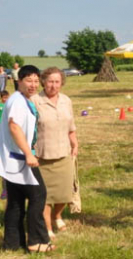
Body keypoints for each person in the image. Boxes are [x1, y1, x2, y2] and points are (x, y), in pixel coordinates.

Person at [0, 65, 54, 253]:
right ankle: (37, 241)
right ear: (19, 81)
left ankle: (12, 243)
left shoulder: (21, 99)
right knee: (38, 195)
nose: (33, 85)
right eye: (29, 80)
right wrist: (28, 153)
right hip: (20, 159)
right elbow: (14, 127)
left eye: (36, 81)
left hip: (13, 159)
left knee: (16, 202)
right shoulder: (18, 101)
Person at [32, 67, 80, 240]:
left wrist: (74, 143)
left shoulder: (66, 101)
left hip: (64, 153)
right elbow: (28, 130)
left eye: (57, 82)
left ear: (62, 83)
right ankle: (47, 227)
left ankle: (57, 215)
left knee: (65, 192)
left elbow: (71, 126)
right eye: (50, 81)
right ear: (43, 82)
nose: (53, 85)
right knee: (45, 196)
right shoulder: (35, 101)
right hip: (42, 155)